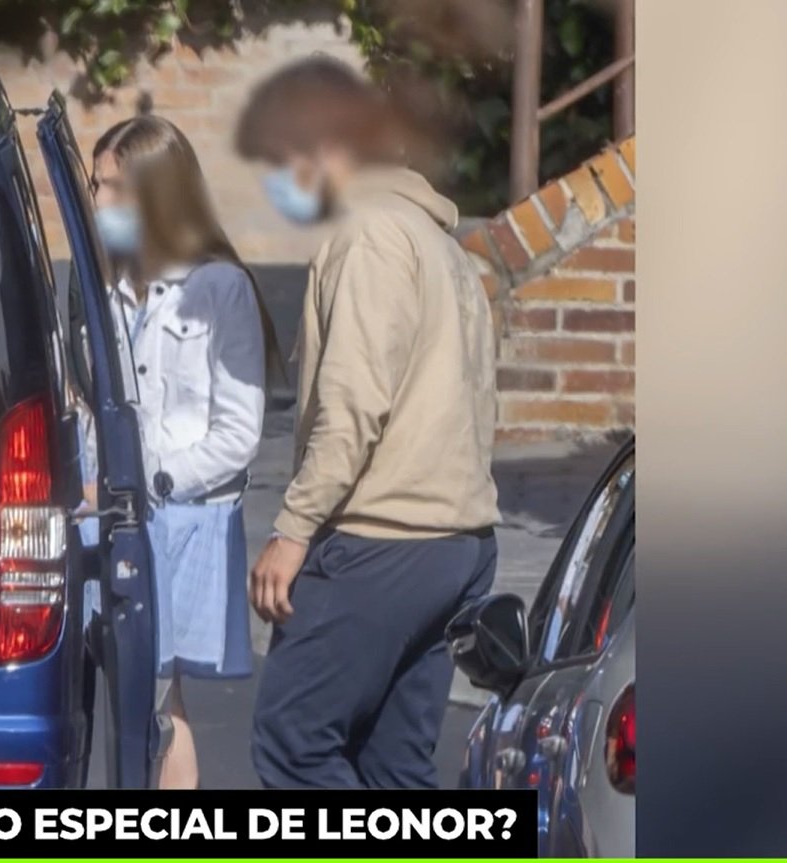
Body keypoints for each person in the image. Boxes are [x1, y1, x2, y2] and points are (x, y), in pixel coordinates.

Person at [234, 57, 501, 789]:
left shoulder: (369, 236)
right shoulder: (439, 247)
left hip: (383, 538)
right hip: (454, 543)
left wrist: (292, 529)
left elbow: (353, 401)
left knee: (293, 742)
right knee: (394, 769)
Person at [90, 115, 278, 789]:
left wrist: (150, 481)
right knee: (130, 694)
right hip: (118, 515)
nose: (99, 202)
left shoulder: (218, 288)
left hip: (185, 519)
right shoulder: (107, 288)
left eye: (114, 187)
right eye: (94, 184)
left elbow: (236, 431)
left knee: (163, 697)